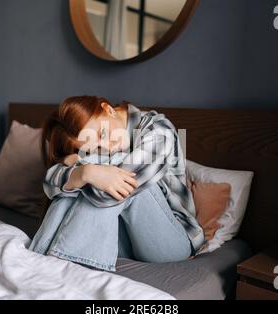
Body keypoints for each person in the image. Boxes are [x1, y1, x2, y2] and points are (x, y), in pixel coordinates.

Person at [29, 96, 205, 271]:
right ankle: (41, 261)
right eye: (95, 148)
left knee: (105, 172)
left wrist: (85, 169)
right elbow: (49, 183)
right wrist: (84, 172)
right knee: (84, 176)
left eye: (103, 134)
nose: (107, 147)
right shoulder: (96, 156)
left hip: (172, 241)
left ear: (108, 109)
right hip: (126, 239)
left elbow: (107, 194)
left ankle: (67, 266)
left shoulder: (159, 130)